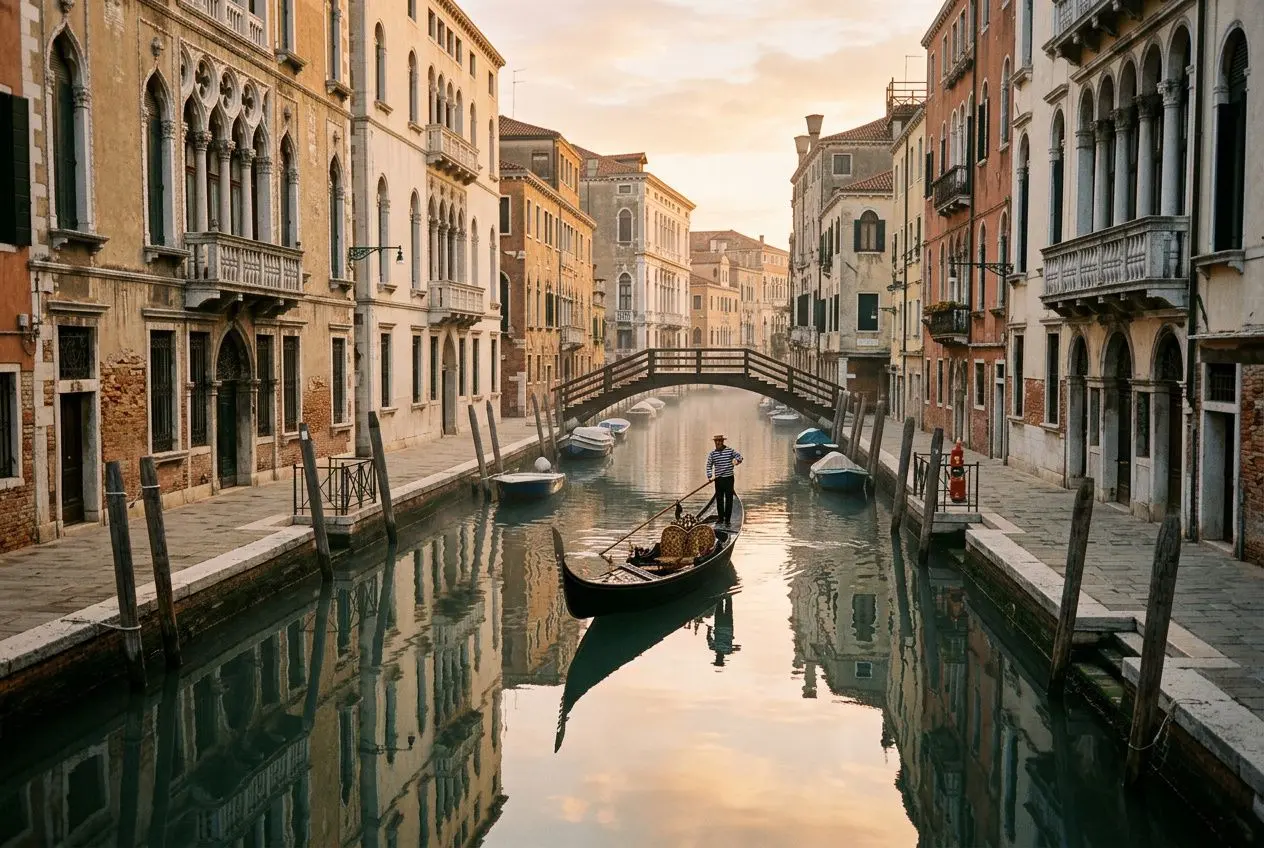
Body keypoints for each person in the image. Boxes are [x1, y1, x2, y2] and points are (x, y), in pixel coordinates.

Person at [705, 433, 743, 525]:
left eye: (719, 441)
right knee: (719, 499)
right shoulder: (713, 454)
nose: (717, 443)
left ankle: (727, 520)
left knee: (729, 499)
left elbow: (740, 457)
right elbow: (709, 465)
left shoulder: (730, 451)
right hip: (718, 480)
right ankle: (721, 519)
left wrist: (736, 461)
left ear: (722, 442)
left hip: (729, 479)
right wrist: (710, 476)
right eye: (716, 441)